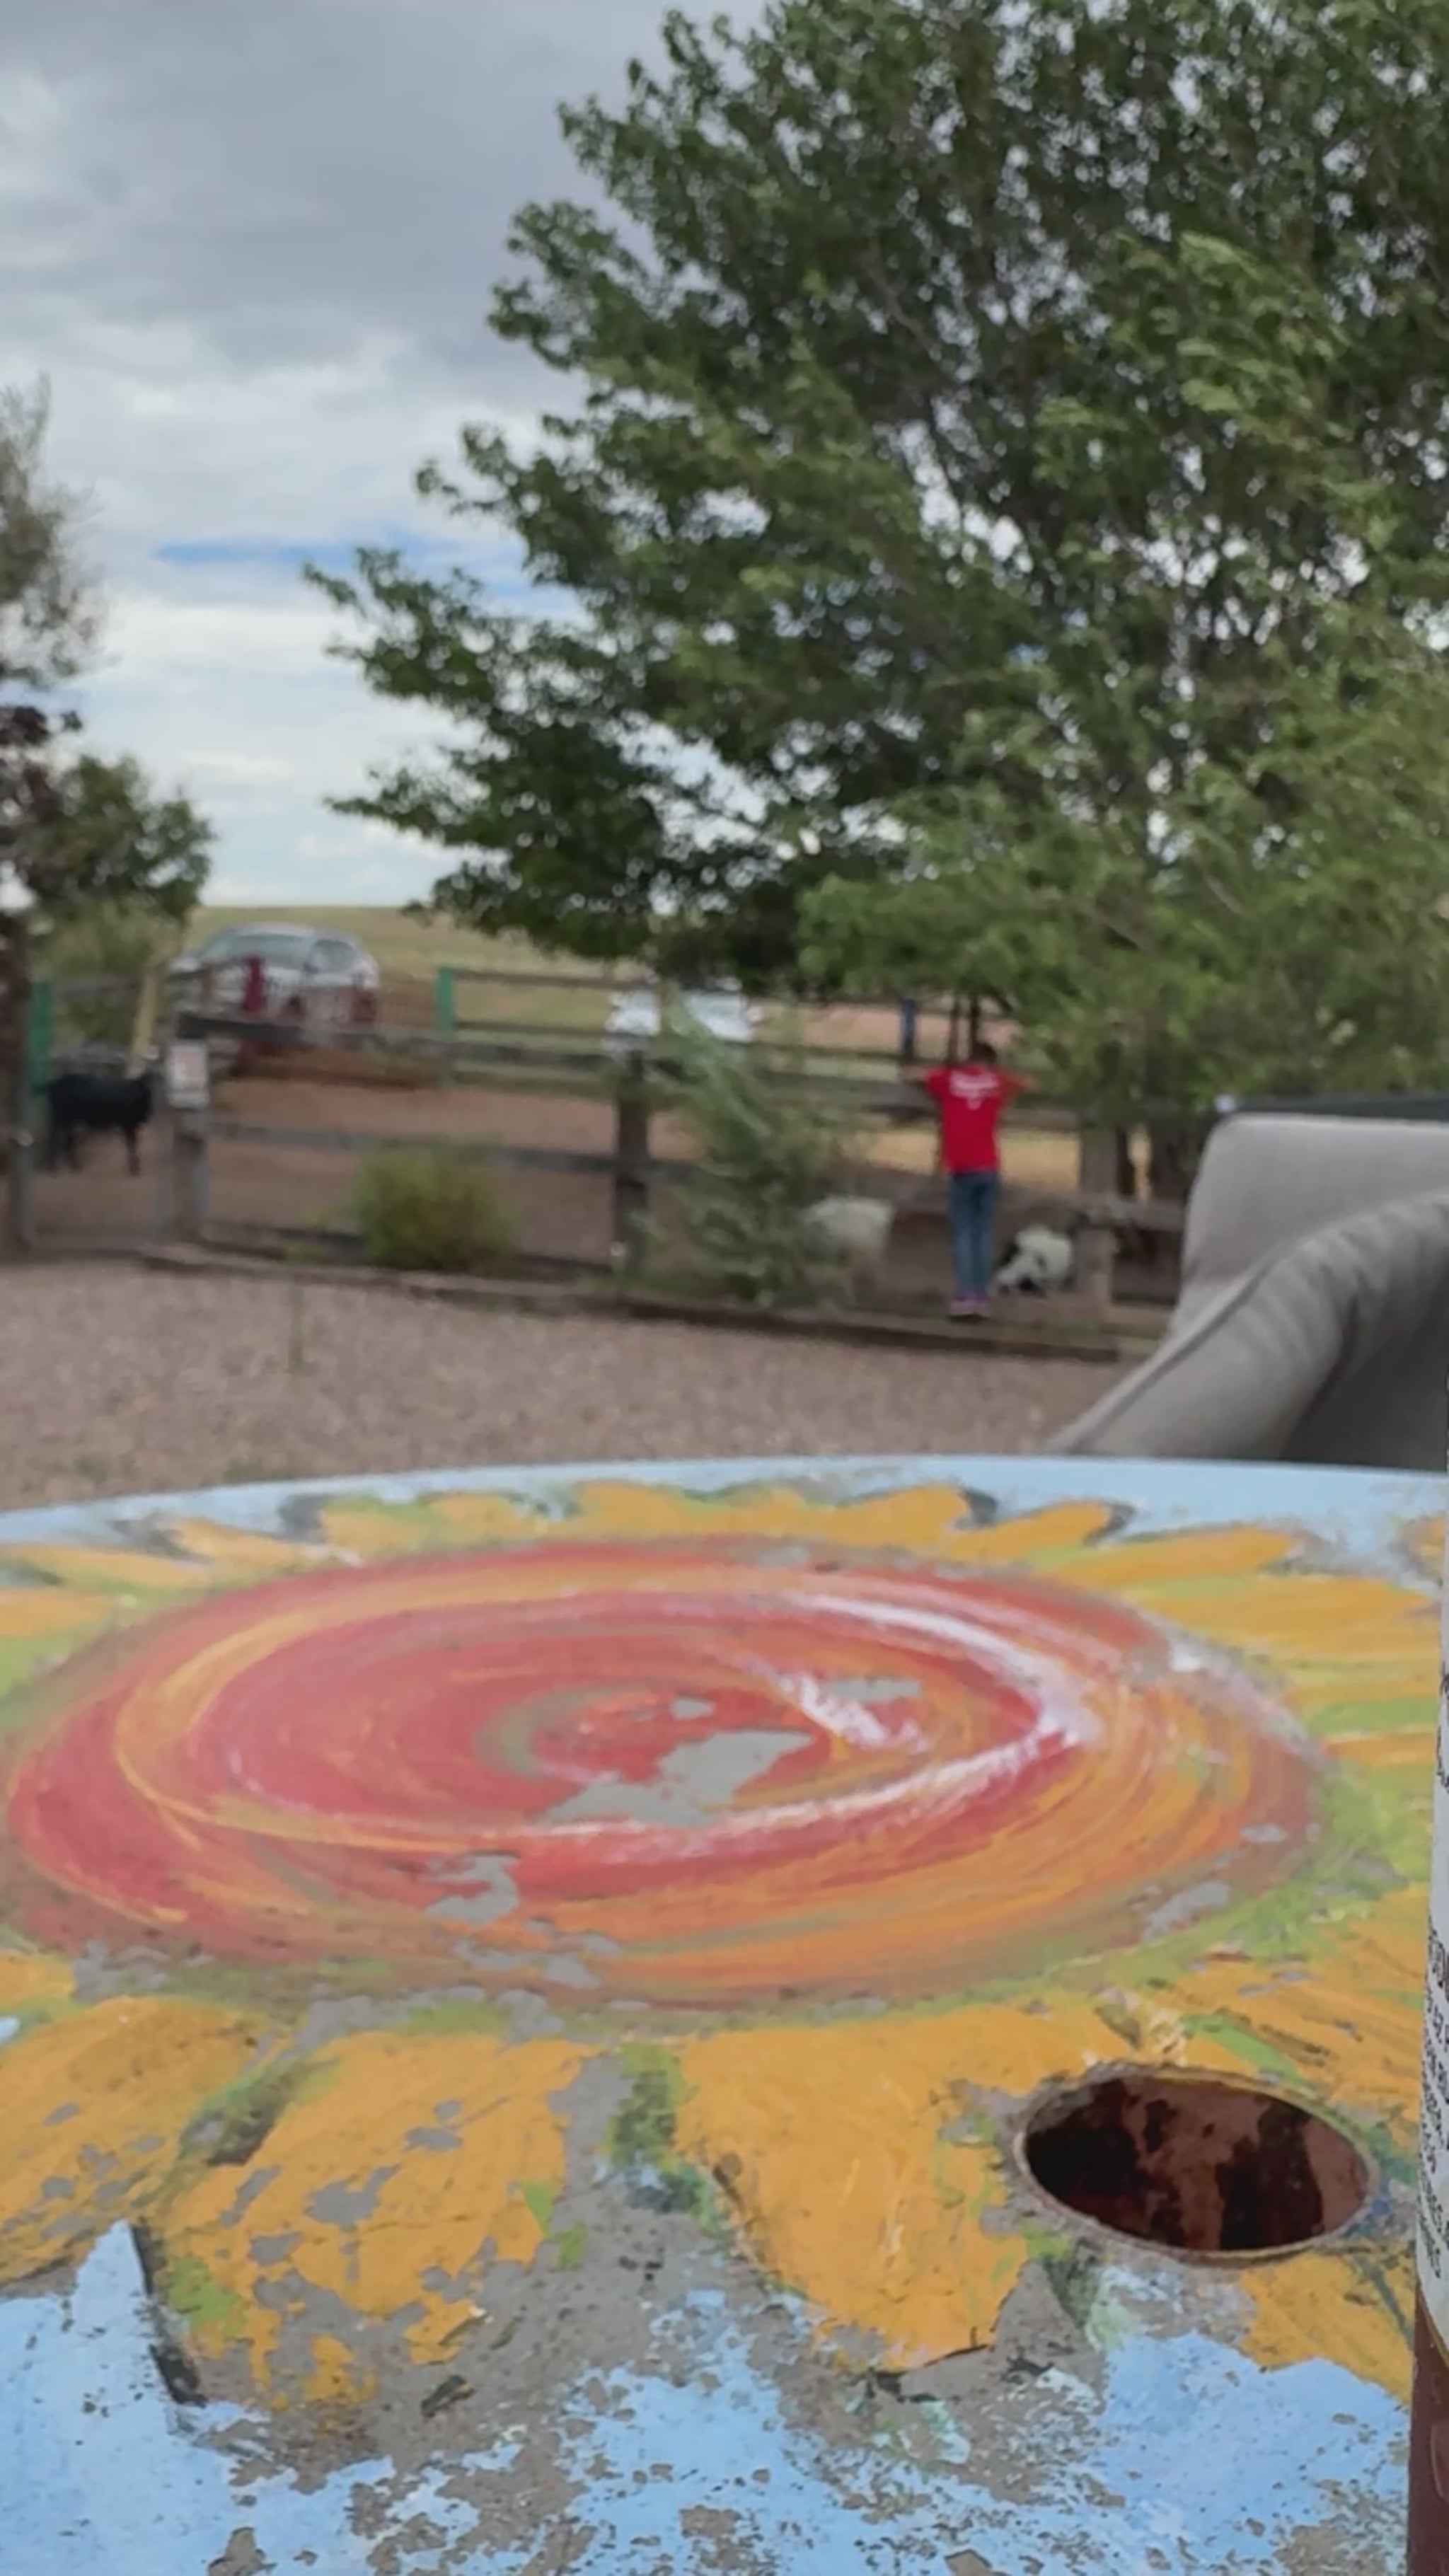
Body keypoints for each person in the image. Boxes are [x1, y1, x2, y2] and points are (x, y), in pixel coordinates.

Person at [918, 1041, 1027, 1319]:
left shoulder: (950, 1079)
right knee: (984, 1233)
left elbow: (918, 1077)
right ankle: (981, 1296)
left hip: (960, 1166)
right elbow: (1026, 1084)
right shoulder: (997, 1082)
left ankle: (965, 1294)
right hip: (988, 1165)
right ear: (991, 1062)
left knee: (963, 1232)